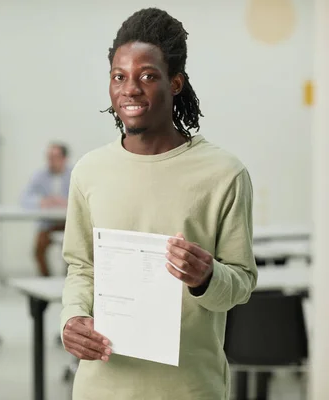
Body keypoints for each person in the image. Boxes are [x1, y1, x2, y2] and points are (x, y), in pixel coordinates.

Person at [60, 8, 257, 400]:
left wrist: (207, 277)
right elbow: (81, 267)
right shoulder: (89, 171)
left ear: (176, 82)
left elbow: (241, 284)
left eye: (147, 76)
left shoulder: (224, 174)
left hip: (189, 388)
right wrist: (72, 319)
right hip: (102, 386)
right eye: (119, 76)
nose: (130, 89)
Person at [21, 143, 72, 276]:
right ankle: (45, 280)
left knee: (73, 253)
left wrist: (66, 202)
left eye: (55, 157)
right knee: (38, 250)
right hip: (48, 224)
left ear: (64, 158)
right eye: (49, 157)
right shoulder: (39, 175)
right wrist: (42, 201)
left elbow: (83, 198)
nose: (51, 161)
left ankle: (67, 281)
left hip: (68, 224)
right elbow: (25, 198)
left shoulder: (75, 174)